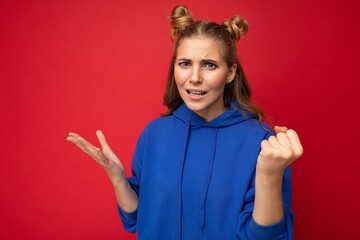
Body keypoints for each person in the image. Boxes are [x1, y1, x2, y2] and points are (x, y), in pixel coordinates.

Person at [67, 5, 303, 240]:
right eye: (185, 64)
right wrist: (117, 178)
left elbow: (268, 238)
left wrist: (269, 175)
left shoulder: (261, 143)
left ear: (230, 72)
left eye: (209, 65)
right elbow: (137, 218)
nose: (195, 78)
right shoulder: (154, 134)